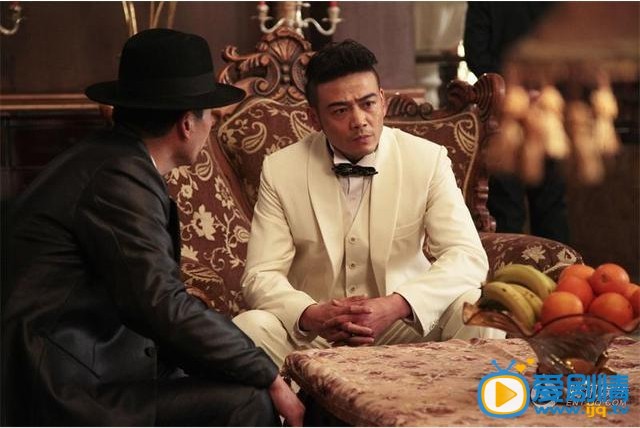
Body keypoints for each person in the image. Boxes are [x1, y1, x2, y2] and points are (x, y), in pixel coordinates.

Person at [1, 29, 304, 426]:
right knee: (248, 402)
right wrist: (267, 373)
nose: (213, 123)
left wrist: (244, 367)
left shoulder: (111, 159)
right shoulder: (118, 176)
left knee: (235, 382)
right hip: (58, 385)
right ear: (187, 123)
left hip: (89, 363)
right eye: (211, 115)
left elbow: (150, 302)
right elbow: (160, 304)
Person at [232, 40, 501, 368]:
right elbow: (260, 274)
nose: (359, 120)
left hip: (404, 325)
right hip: (318, 332)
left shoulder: (427, 160)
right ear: (313, 118)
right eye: (340, 110)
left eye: (368, 103)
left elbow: (467, 256)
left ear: (383, 102)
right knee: (248, 329)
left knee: (479, 311)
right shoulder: (281, 169)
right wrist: (311, 314)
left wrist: (397, 304)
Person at [464, 2, 570, 244]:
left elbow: (476, 55)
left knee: (506, 205)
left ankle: (512, 264)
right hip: (546, 105)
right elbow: (568, 45)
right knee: (551, 203)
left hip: (504, 111)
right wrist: (539, 85)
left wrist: (512, 87)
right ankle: (559, 265)